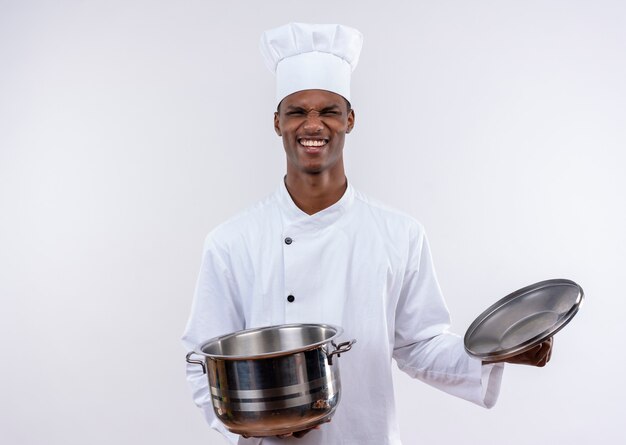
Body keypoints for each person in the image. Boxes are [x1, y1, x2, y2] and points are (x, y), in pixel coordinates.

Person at [181, 22, 552, 445]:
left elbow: (418, 344)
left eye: (329, 111)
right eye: (298, 112)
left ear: (350, 119)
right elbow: (200, 360)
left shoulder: (399, 233)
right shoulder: (232, 241)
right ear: (277, 123)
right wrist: (247, 427)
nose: (313, 125)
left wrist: (495, 353)